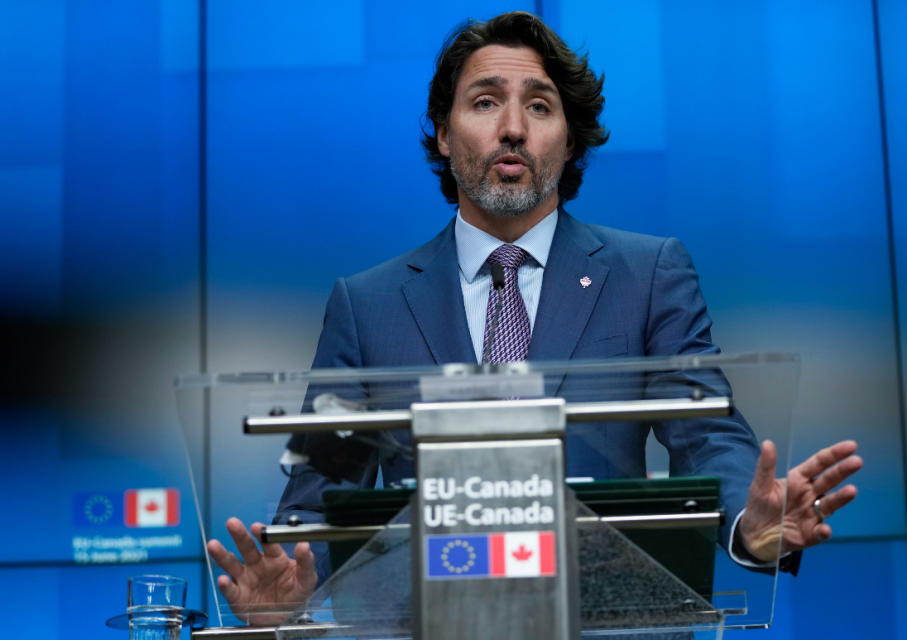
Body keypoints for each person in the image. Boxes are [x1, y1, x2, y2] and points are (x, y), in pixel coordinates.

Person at [206, 11, 862, 624]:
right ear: (442, 130)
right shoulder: (367, 303)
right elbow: (323, 485)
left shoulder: (648, 274)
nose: (513, 127)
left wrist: (751, 527)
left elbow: (706, 436)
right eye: (486, 101)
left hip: (610, 623)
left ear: (568, 138)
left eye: (540, 106)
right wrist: (294, 585)